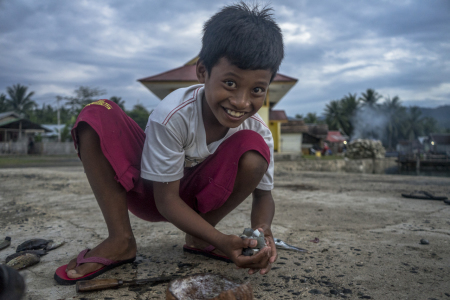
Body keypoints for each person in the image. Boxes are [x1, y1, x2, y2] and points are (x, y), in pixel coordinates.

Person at [54, 2, 284, 285]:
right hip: (153, 194)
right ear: (202, 72)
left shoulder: (258, 130)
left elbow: (263, 196)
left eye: (257, 89)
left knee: (254, 147)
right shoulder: (174, 114)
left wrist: (264, 228)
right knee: (96, 113)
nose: (241, 102)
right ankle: (120, 240)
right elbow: (165, 202)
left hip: (198, 204)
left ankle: (200, 236)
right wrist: (223, 241)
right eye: (230, 83)